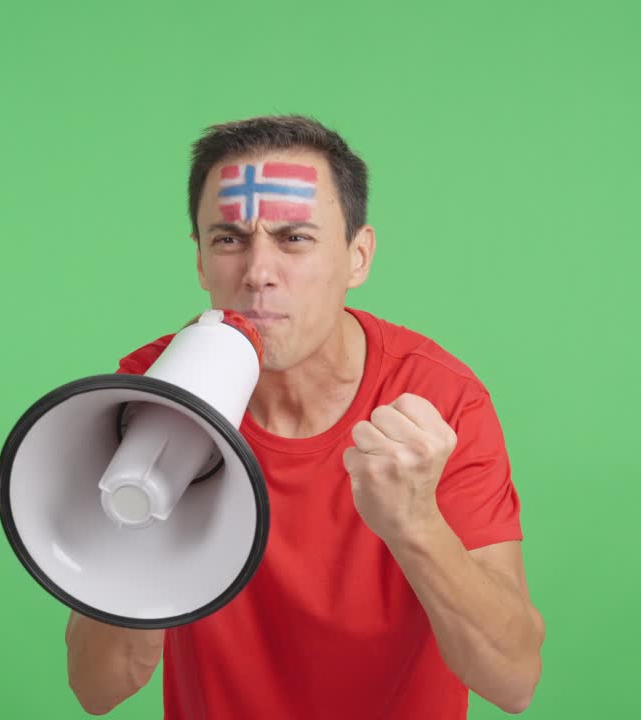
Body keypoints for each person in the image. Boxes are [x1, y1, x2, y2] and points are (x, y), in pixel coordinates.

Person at [66, 115, 545, 718]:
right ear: (200, 263)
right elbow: (96, 686)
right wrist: (144, 513)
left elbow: (513, 680)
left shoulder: (438, 399)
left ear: (358, 257)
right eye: (228, 239)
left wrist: (418, 525)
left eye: (294, 239)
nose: (258, 272)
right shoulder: (149, 396)